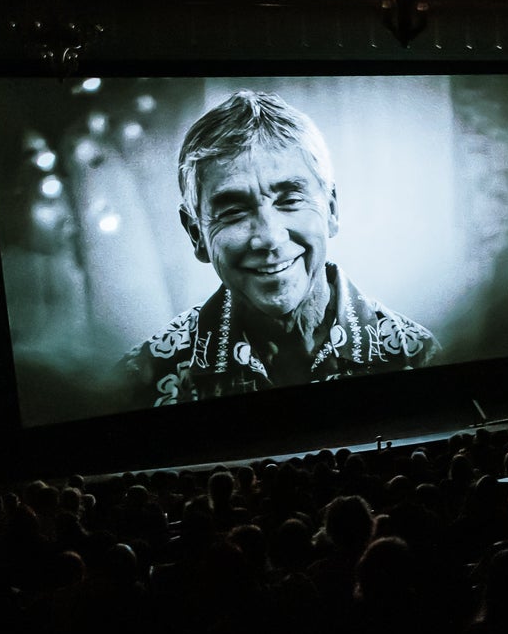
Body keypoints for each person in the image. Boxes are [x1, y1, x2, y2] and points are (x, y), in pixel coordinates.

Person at [117, 90, 438, 407]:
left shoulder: (418, 359)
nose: (269, 238)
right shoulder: (138, 383)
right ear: (196, 234)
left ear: (331, 211)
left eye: (291, 200)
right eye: (233, 211)